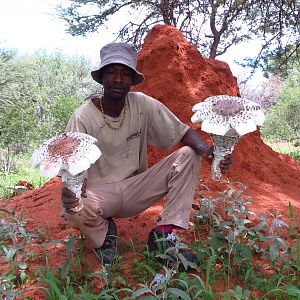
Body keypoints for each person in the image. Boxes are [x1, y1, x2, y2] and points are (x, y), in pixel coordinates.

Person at [61, 42, 232, 266]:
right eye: (112, 72)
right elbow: (67, 165)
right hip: (99, 195)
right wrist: (71, 187)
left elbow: (182, 131)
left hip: (136, 187)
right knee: (71, 207)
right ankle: (105, 235)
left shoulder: (142, 104)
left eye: (125, 74)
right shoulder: (82, 117)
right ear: (102, 76)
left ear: (132, 80)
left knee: (189, 154)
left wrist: (208, 152)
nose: (118, 79)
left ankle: (163, 235)